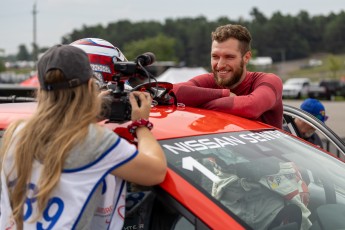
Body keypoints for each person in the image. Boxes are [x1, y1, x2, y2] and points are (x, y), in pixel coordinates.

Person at [0, 44, 167, 229]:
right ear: (90, 85)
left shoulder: (16, 132)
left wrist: (88, 114)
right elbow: (156, 172)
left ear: (40, 90)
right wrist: (141, 125)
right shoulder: (94, 141)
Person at [173, 24, 283, 129]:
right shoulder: (209, 80)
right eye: (215, 56)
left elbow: (251, 107)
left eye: (229, 57)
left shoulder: (268, 80)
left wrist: (195, 102)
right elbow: (170, 91)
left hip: (267, 148)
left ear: (246, 57)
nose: (220, 65)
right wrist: (224, 94)